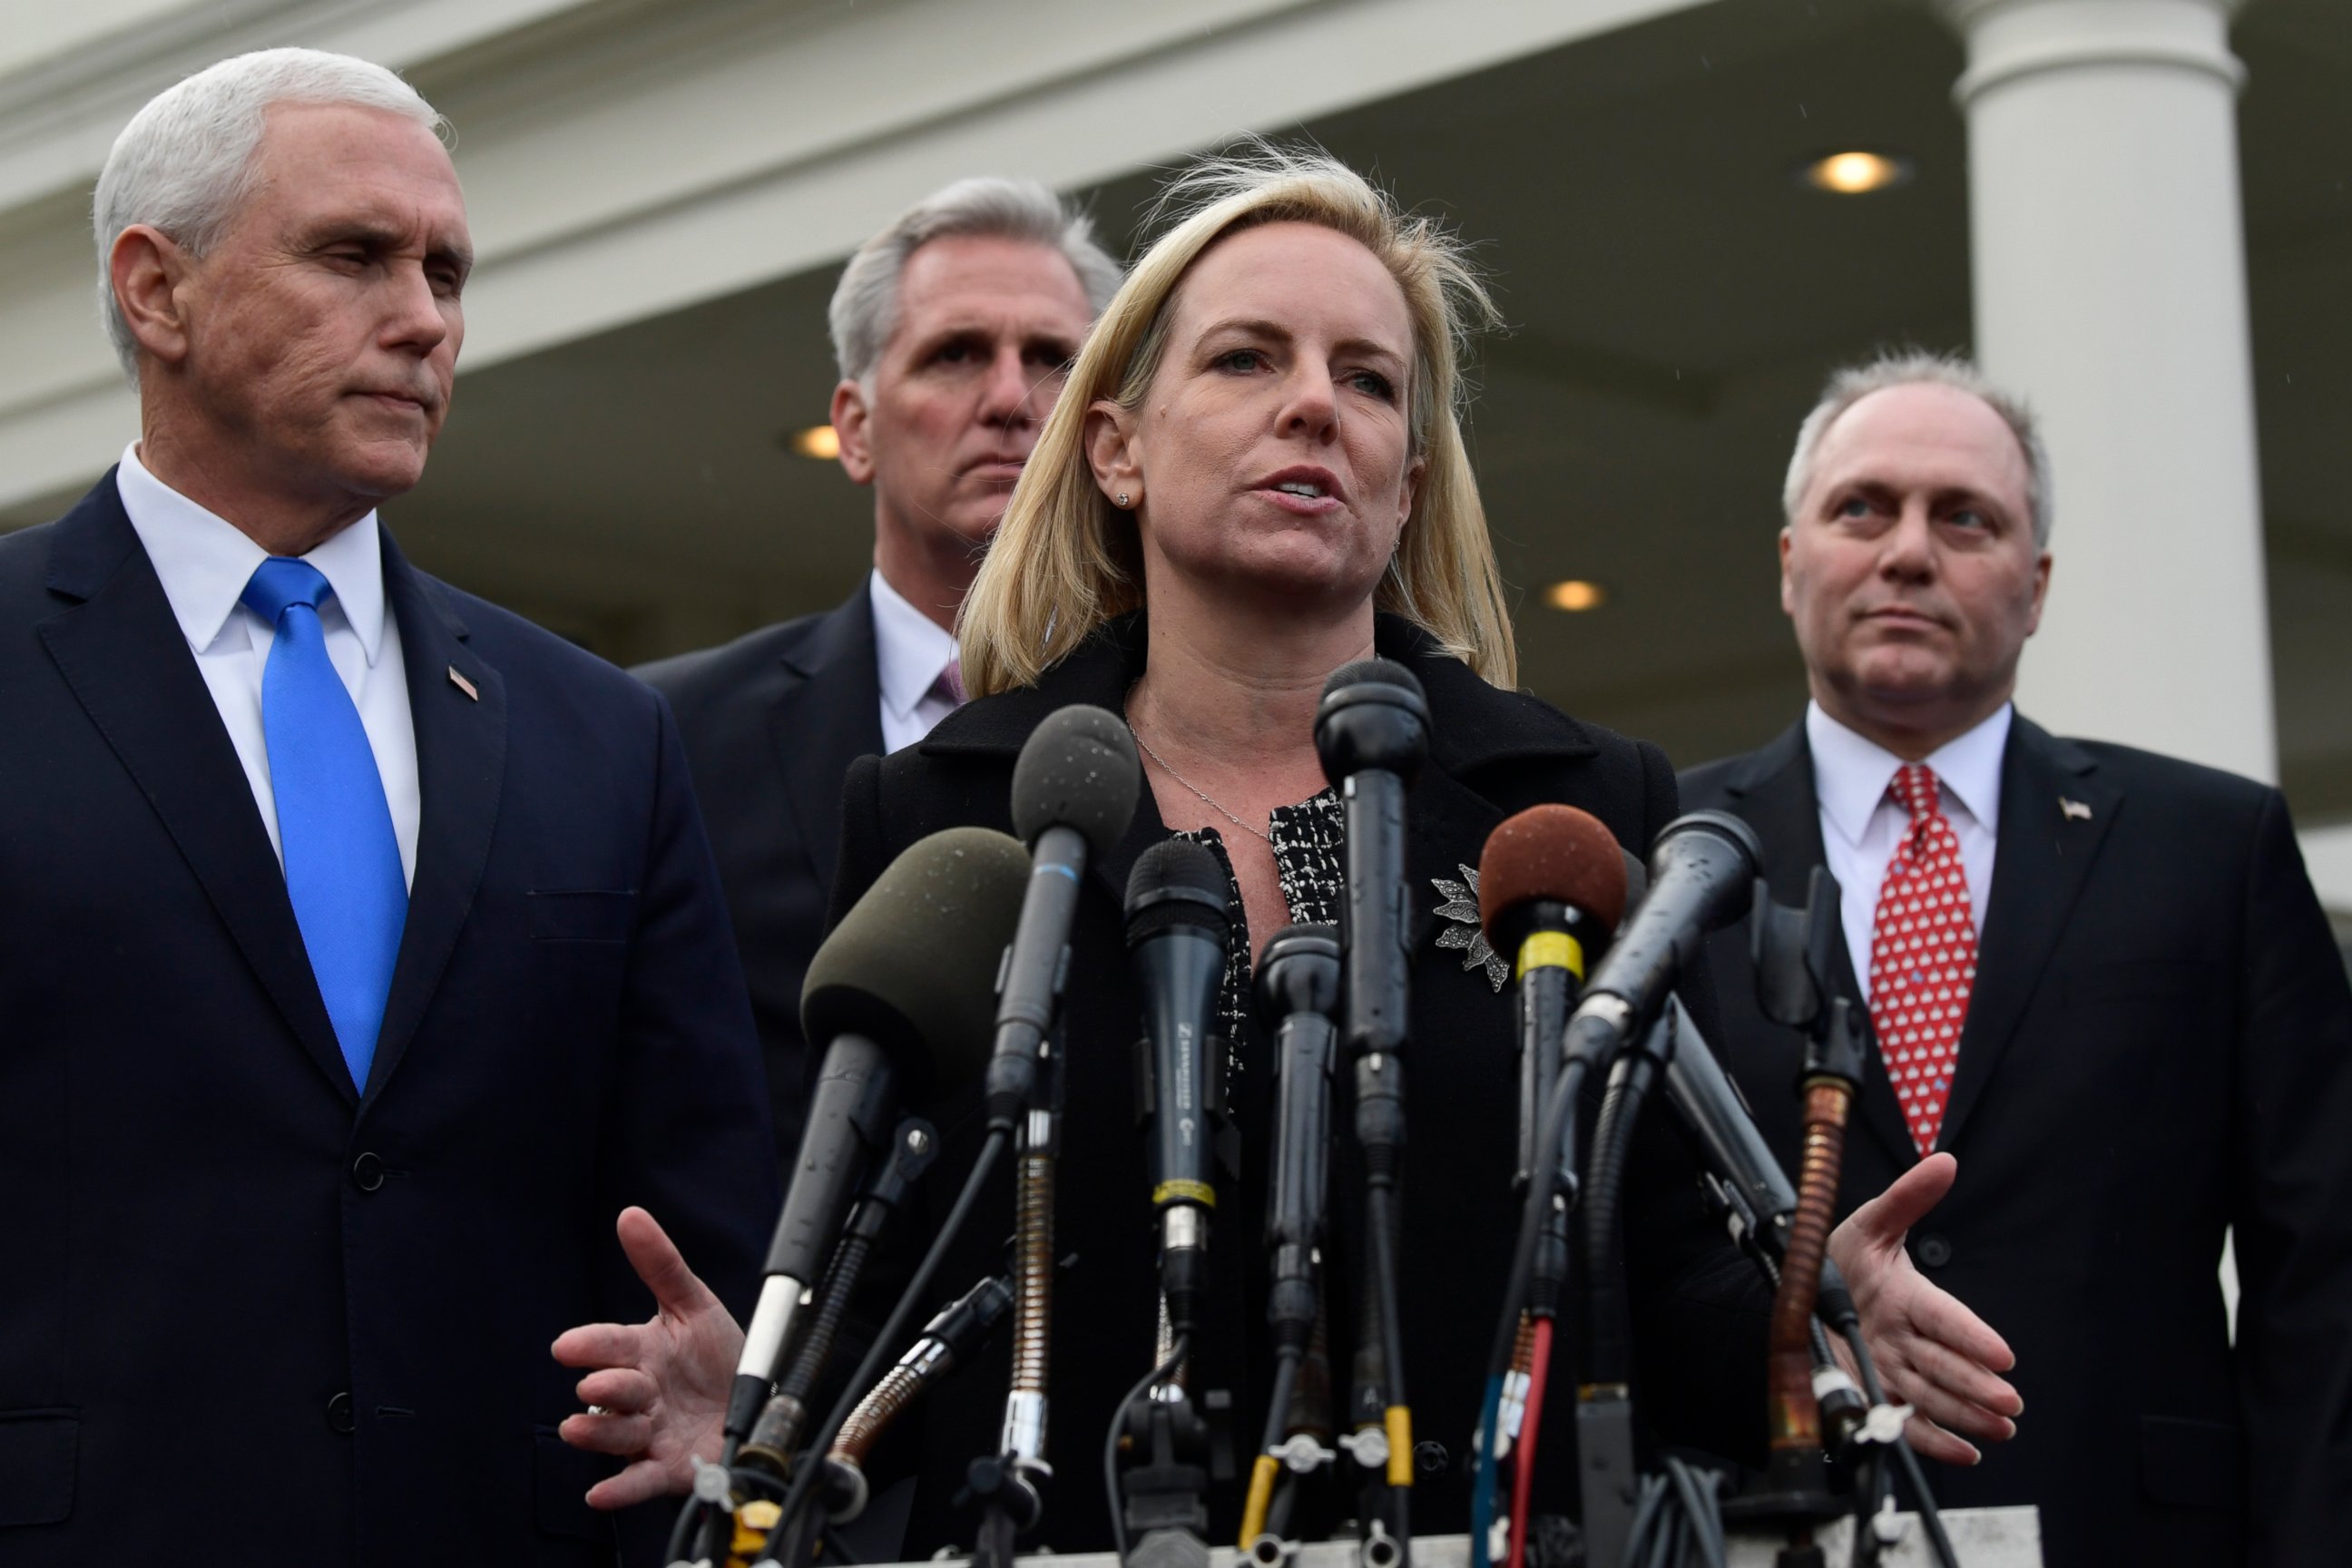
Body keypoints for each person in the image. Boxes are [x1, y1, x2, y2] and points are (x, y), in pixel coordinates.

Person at [559, 152, 2020, 1553]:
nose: (1315, 407)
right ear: (1118, 448)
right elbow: (906, 1279)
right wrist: (764, 1406)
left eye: (1368, 381)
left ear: (1406, 477)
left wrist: (1802, 1330)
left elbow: (1657, 1265)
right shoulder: (952, 807)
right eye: (1249, 360)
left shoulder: (1572, 803)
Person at [0, 49, 775, 1563]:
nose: (425, 318)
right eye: (354, 256)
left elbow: (699, 1218)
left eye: (445, 269)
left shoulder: (601, 732)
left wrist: (722, 1392)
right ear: (158, 290)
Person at [1680, 351, 2352, 1566]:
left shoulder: (2212, 851)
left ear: (2035, 587)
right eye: (1862, 508)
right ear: (1791, 566)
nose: (1908, 553)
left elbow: (2325, 1273)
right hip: (1765, 1520)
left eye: (1966, 518)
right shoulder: (1668, 857)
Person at [638, 179, 1118, 1169]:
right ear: (854, 427)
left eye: (1053, 363)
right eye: (955, 355)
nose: (1008, 400)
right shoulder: (669, 736)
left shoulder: (1195, 725)